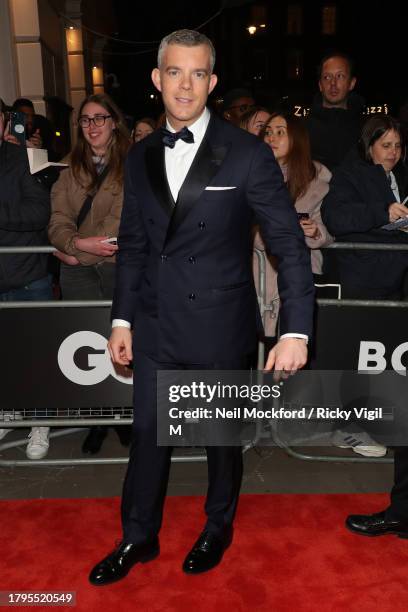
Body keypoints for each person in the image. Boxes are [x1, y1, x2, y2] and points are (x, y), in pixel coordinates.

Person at [88, 29, 314, 586]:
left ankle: (217, 526)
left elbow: (288, 244)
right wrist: (120, 320)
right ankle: (138, 537)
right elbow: (135, 246)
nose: (184, 85)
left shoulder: (247, 153)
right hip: (156, 323)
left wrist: (296, 330)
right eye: (173, 72)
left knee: (220, 441)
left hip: (219, 325)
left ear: (211, 82)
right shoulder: (139, 156)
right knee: (147, 437)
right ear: (156, 78)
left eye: (196, 74)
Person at [48, 93, 132, 454]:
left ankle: (126, 416)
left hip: (118, 269)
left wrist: (74, 252)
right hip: (80, 273)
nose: (93, 126)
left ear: (114, 121)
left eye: (100, 118)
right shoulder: (69, 168)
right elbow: (56, 222)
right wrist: (77, 246)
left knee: (122, 345)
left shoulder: (133, 164)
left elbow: (122, 223)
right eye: (86, 120)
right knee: (87, 346)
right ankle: (98, 418)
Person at [0, 98, 53, 459]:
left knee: (37, 356)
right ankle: (9, 411)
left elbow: (39, 214)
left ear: (4, 123)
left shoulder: (25, 159)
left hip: (28, 276)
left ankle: (41, 421)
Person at [253, 111, 333, 350]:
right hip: (256, 274)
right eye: (267, 132)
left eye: (280, 132)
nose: (271, 138)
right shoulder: (251, 176)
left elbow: (329, 232)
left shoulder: (316, 183)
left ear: (296, 139)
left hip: (296, 277)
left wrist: (314, 232)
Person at [321, 114, 408, 300]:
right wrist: (384, 212)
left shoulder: (401, 176)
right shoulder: (348, 176)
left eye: (398, 145)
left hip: (395, 278)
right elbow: (335, 218)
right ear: (369, 146)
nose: (393, 152)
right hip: (359, 279)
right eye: (386, 145)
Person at [306, 52, 364, 173]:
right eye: (327, 77)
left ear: (352, 83)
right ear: (320, 85)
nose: (333, 83)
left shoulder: (365, 129)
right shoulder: (302, 129)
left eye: (340, 76)